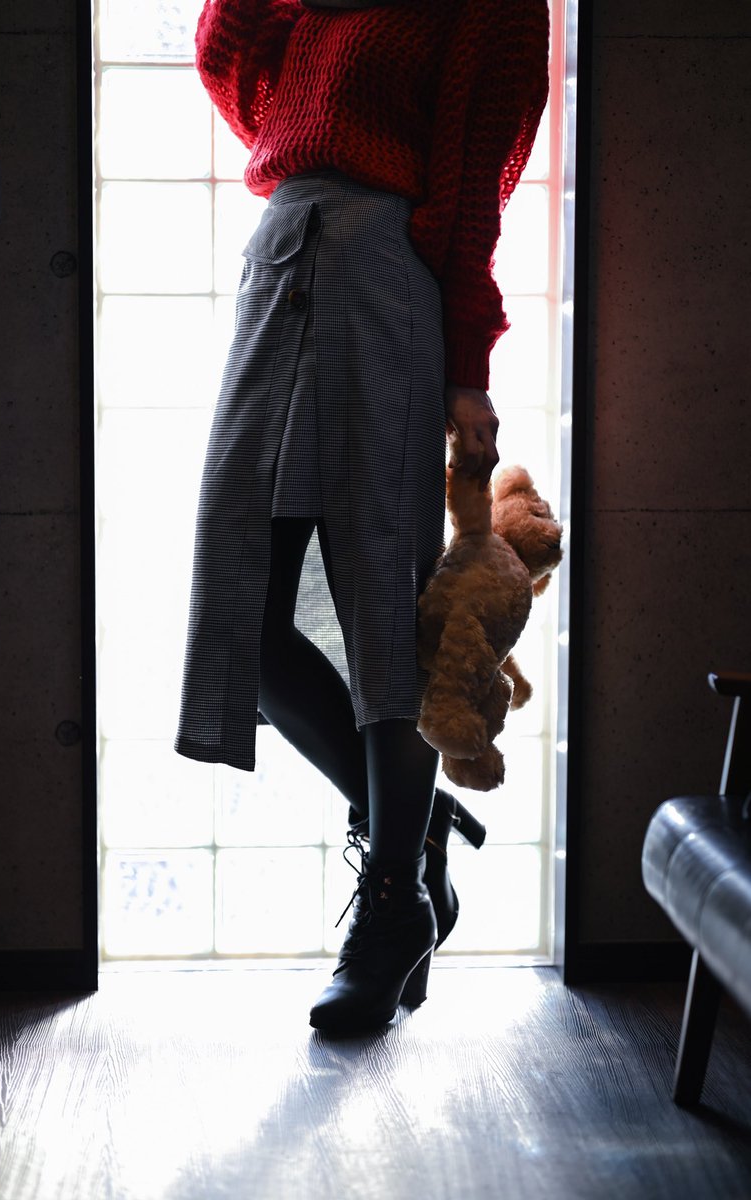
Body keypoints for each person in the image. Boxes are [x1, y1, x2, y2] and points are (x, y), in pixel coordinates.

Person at [176, 0, 549, 1032]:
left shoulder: (490, 10)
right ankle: (415, 837)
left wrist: (467, 366)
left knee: (384, 604)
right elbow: (230, 64)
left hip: (385, 279)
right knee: (240, 612)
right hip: (278, 266)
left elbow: (475, 193)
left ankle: (391, 907)